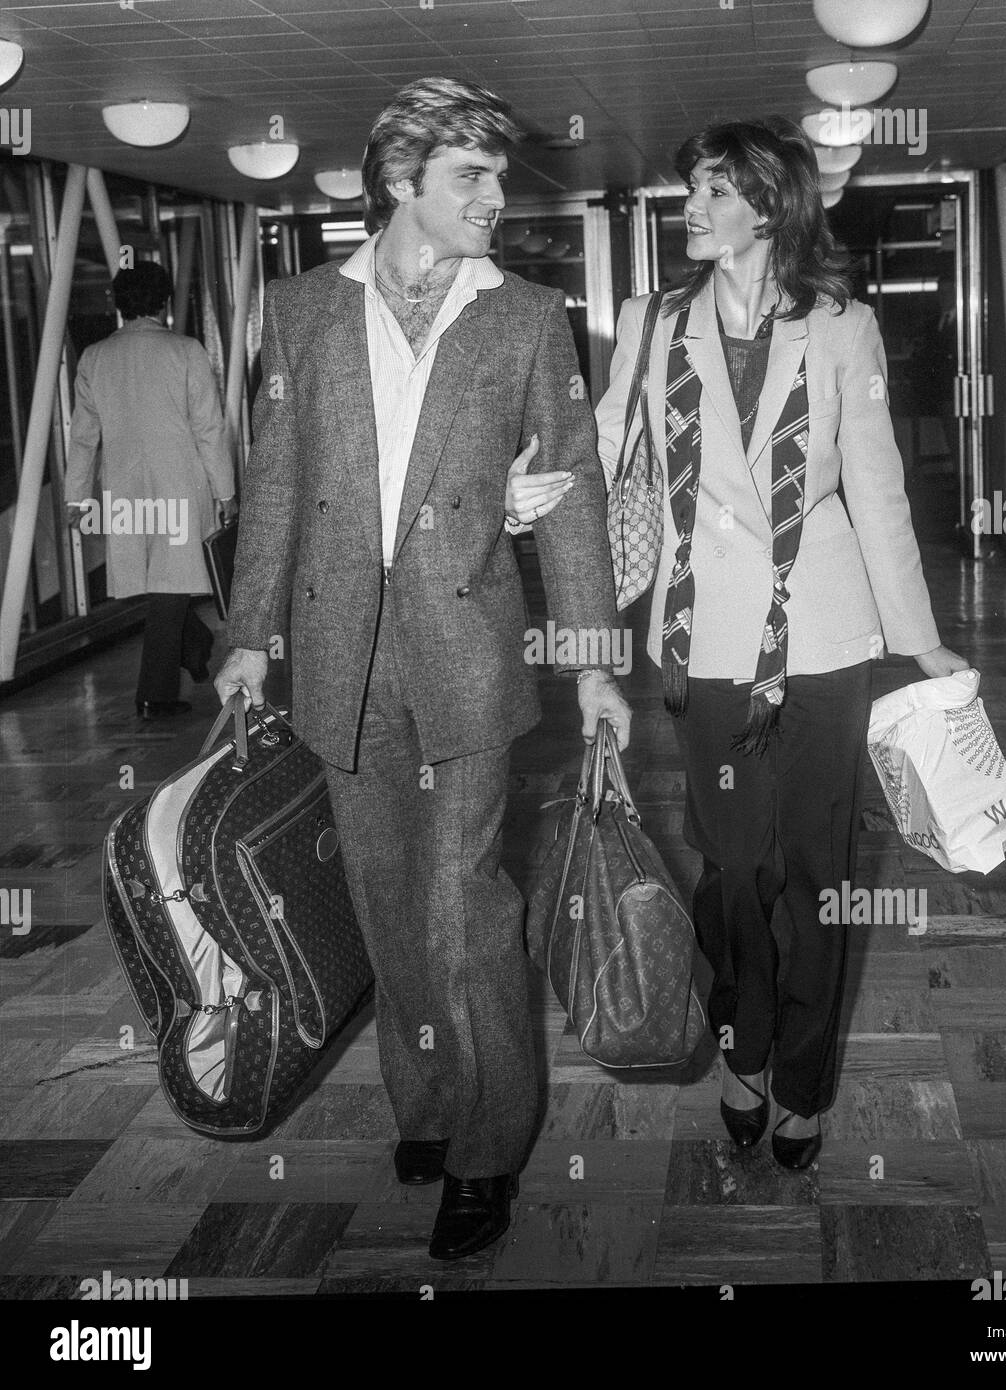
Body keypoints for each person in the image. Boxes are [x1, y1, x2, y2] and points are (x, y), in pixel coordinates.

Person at [215, 77, 631, 1261]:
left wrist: (596, 659)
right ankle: (431, 1100)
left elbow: (576, 501)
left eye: (499, 177)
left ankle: (488, 1147)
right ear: (400, 185)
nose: (497, 199)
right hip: (337, 657)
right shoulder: (300, 312)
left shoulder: (527, 317)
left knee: (463, 913)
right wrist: (250, 636)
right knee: (387, 906)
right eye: (470, 178)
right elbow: (281, 482)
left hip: (467, 654)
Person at [520, 117, 968, 1169]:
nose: (693, 207)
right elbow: (598, 468)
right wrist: (525, 501)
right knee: (733, 874)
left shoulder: (842, 327)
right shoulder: (651, 318)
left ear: (768, 207)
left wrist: (923, 643)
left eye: (715, 191)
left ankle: (804, 1081)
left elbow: (878, 492)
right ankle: (743, 1045)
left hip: (824, 634)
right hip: (702, 638)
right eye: (695, 191)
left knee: (816, 871)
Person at [65, 261, 237, 717]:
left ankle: (195, 648)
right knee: (170, 584)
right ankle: (154, 694)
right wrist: (226, 490)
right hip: (180, 484)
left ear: (119, 305)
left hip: (125, 490)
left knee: (162, 585)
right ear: (162, 302)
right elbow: (209, 428)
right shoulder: (186, 351)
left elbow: (83, 435)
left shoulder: (95, 358)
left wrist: (76, 497)